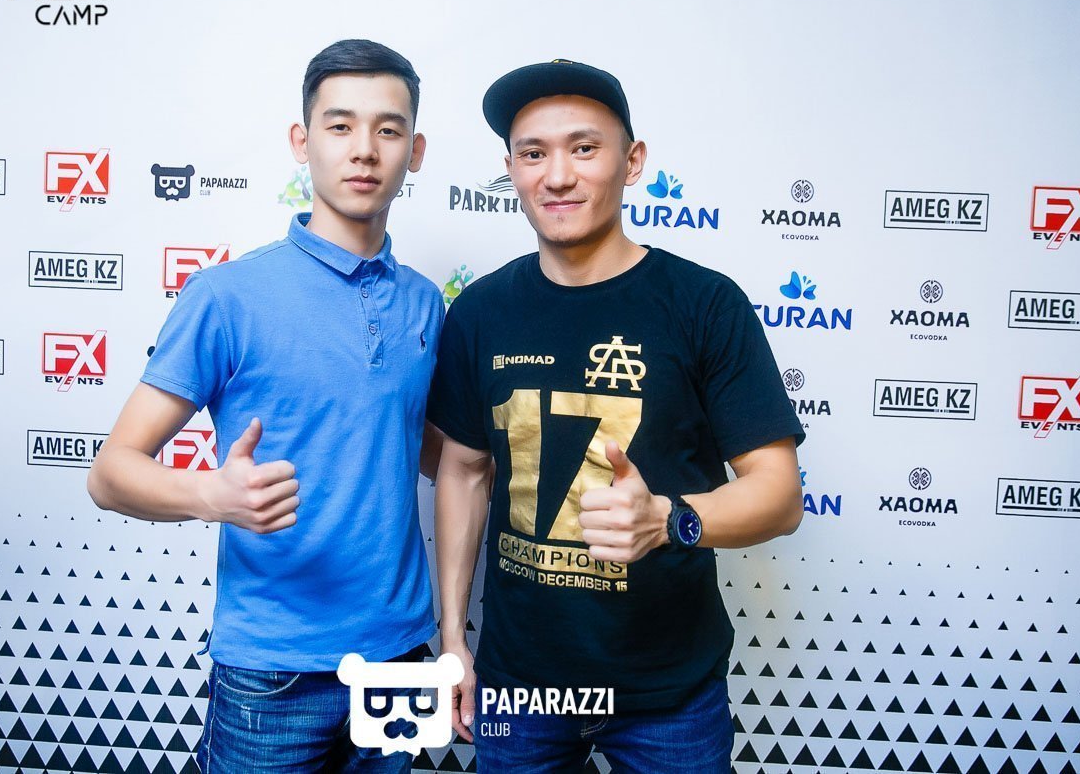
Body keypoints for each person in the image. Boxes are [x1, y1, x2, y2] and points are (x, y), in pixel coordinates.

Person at [427, 59, 806, 773]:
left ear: (632, 162)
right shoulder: (480, 311)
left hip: (668, 692)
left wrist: (668, 519)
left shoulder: (705, 304)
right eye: (533, 154)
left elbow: (779, 494)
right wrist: (453, 637)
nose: (557, 176)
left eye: (584, 148)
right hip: (519, 687)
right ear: (511, 170)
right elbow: (464, 471)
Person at [87, 39, 442, 773]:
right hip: (274, 669)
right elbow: (110, 472)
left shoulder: (424, 302)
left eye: (388, 129)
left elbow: (437, 454)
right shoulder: (227, 296)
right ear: (301, 142)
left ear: (415, 151)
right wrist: (209, 495)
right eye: (340, 126)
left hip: (399, 657)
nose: (364, 149)